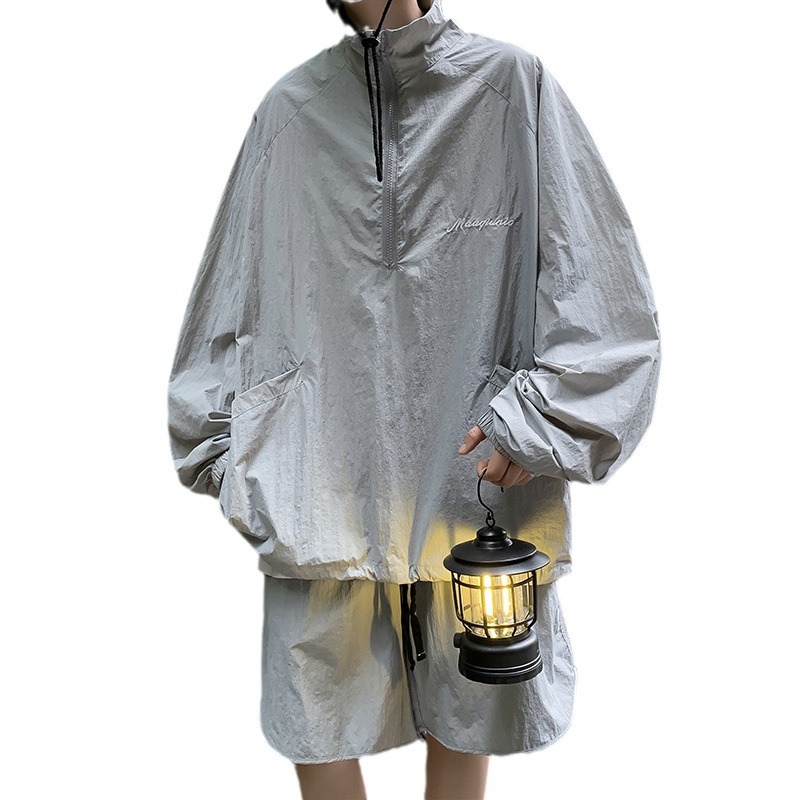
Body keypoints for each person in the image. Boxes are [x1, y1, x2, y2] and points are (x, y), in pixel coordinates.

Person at [166, 1, 662, 798]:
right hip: (320, 486)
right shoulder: (289, 113)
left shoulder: (511, 87)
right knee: (316, 716)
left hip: (474, 487)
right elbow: (226, 305)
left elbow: (601, 292)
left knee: (473, 705)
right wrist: (244, 463)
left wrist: (538, 426)